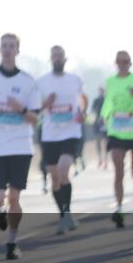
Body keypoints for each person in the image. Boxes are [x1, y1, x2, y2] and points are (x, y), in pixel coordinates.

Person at [0, 33, 41, 260]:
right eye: (4, 45)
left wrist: (20, 109)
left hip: (21, 146)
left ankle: (12, 242)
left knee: (14, 197)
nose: (7, 49)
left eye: (11, 46)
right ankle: (0, 210)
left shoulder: (27, 81)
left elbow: (35, 118)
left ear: (18, 50)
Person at [36, 46, 84, 235]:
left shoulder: (75, 80)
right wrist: (46, 104)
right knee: (54, 178)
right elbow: (33, 108)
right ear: (50, 59)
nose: (57, 59)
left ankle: (66, 214)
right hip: (49, 136)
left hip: (71, 133)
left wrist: (82, 111)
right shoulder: (41, 83)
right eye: (54, 56)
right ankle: (64, 214)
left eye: (60, 56)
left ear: (65, 59)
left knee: (64, 170)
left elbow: (82, 100)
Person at [101, 51, 133, 228]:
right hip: (117, 132)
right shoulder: (110, 82)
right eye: (119, 61)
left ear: (130, 63)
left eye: (126, 61)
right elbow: (108, 102)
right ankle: (119, 209)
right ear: (116, 63)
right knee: (118, 171)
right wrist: (104, 116)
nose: (122, 64)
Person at [90, 88, 107, 169]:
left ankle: (105, 160)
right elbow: (93, 110)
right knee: (98, 141)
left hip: (105, 122)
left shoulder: (106, 99)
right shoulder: (96, 100)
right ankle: (100, 158)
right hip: (97, 122)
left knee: (106, 142)